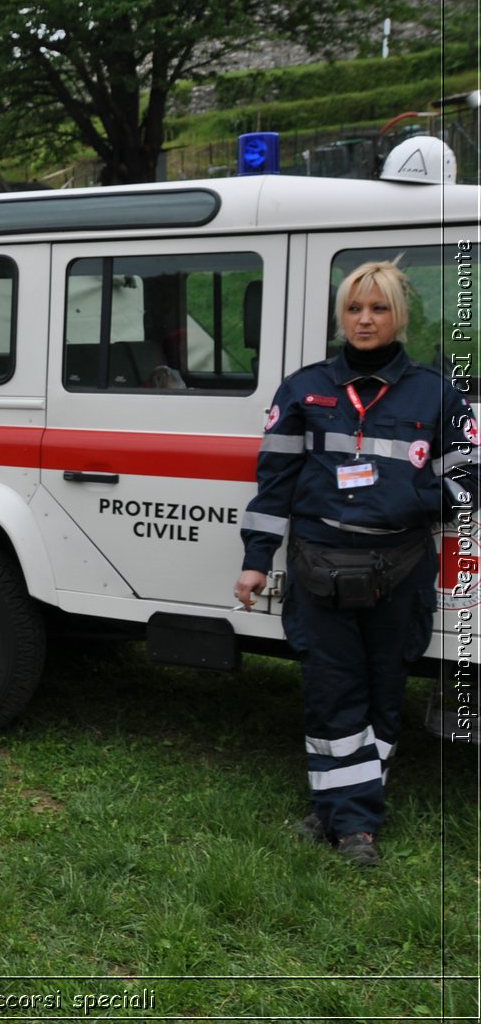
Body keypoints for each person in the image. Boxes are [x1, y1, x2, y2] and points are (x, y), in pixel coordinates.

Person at [234, 260, 475, 868]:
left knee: (384, 692)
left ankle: (337, 804)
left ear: (400, 316)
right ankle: (356, 828)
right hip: (321, 565)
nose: (365, 320)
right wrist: (256, 561)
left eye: (379, 308)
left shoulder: (437, 393)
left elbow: (468, 480)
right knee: (331, 692)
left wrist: (407, 499)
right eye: (354, 309)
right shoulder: (304, 387)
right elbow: (274, 486)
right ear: (341, 315)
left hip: (402, 567)